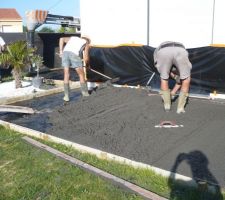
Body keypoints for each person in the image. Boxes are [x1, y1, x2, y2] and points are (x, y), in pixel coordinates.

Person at [153, 41, 192, 113]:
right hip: (180, 50)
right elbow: (181, 79)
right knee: (186, 79)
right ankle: (180, 108)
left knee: (164, 78)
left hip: (164, 51)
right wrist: (174, 76)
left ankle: (167, 105)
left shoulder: (157, 53)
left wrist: (173, 92)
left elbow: (161, 71)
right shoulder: (156, 53)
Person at [59, 35, 91, 102]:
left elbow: (61, 39)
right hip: (74, 55)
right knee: (81, 74)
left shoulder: (73, 38)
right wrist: (87, 65)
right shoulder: (86, 43)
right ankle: (85, 93)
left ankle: (66, 96)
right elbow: (86, 58)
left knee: (66, 74)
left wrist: (61, 51)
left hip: (65, 53)